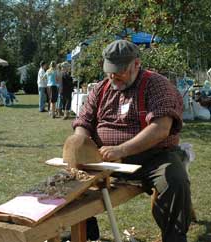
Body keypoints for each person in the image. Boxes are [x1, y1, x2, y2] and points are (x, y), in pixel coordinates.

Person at [71, 40, 191, 242]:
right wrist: (79, 141)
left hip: (152, 157)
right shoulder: (101, 89)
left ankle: (174, 237)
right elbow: (84, 121)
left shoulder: (157, 85)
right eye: (109, 71)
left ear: (137, 63)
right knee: (70, 179)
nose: (113, 76)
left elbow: (160, 129)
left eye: (119, 71)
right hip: (106, 159)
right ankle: (86, 232)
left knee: (174, 179)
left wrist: (121, 150)